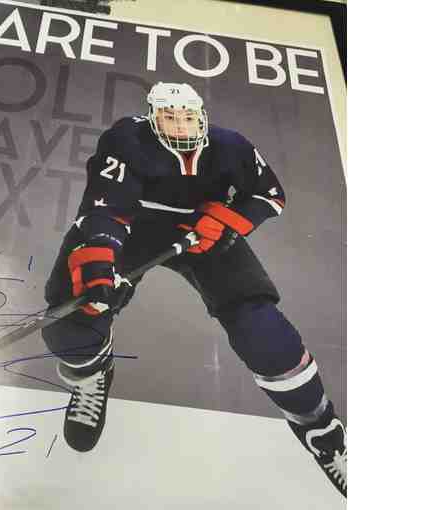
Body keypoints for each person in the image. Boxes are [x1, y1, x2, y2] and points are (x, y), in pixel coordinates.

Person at [41, 82, 346, 497]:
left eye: (187, 116)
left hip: (201, 233)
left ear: (201, 116)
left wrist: (226, 220)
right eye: (169, 116)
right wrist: (100, 270)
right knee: (71, 321)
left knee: (265, 334)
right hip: (132, 226)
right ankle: (92, 374)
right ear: (153, 117)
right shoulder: (126, 139)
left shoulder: (230, 145)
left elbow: (270, 195)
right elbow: (105, 210)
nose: (180, 125)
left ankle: (323, 432)